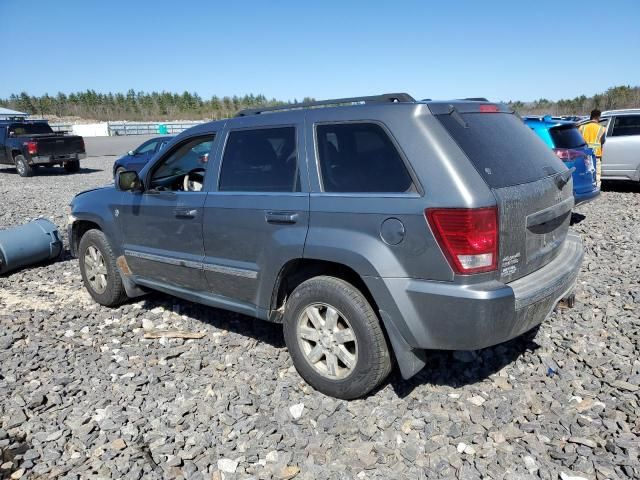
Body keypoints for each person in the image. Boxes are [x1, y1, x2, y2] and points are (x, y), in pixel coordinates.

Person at [578, 109, 606, 187]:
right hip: (596, 155)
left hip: (584, 155)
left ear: (591, 116)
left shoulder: (581, 127)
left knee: (584, 172)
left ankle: (585, 187)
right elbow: (602, 141)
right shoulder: (602, 128)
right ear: (598, 117)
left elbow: (578, 140)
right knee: (597, 173)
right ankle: (596, 188)